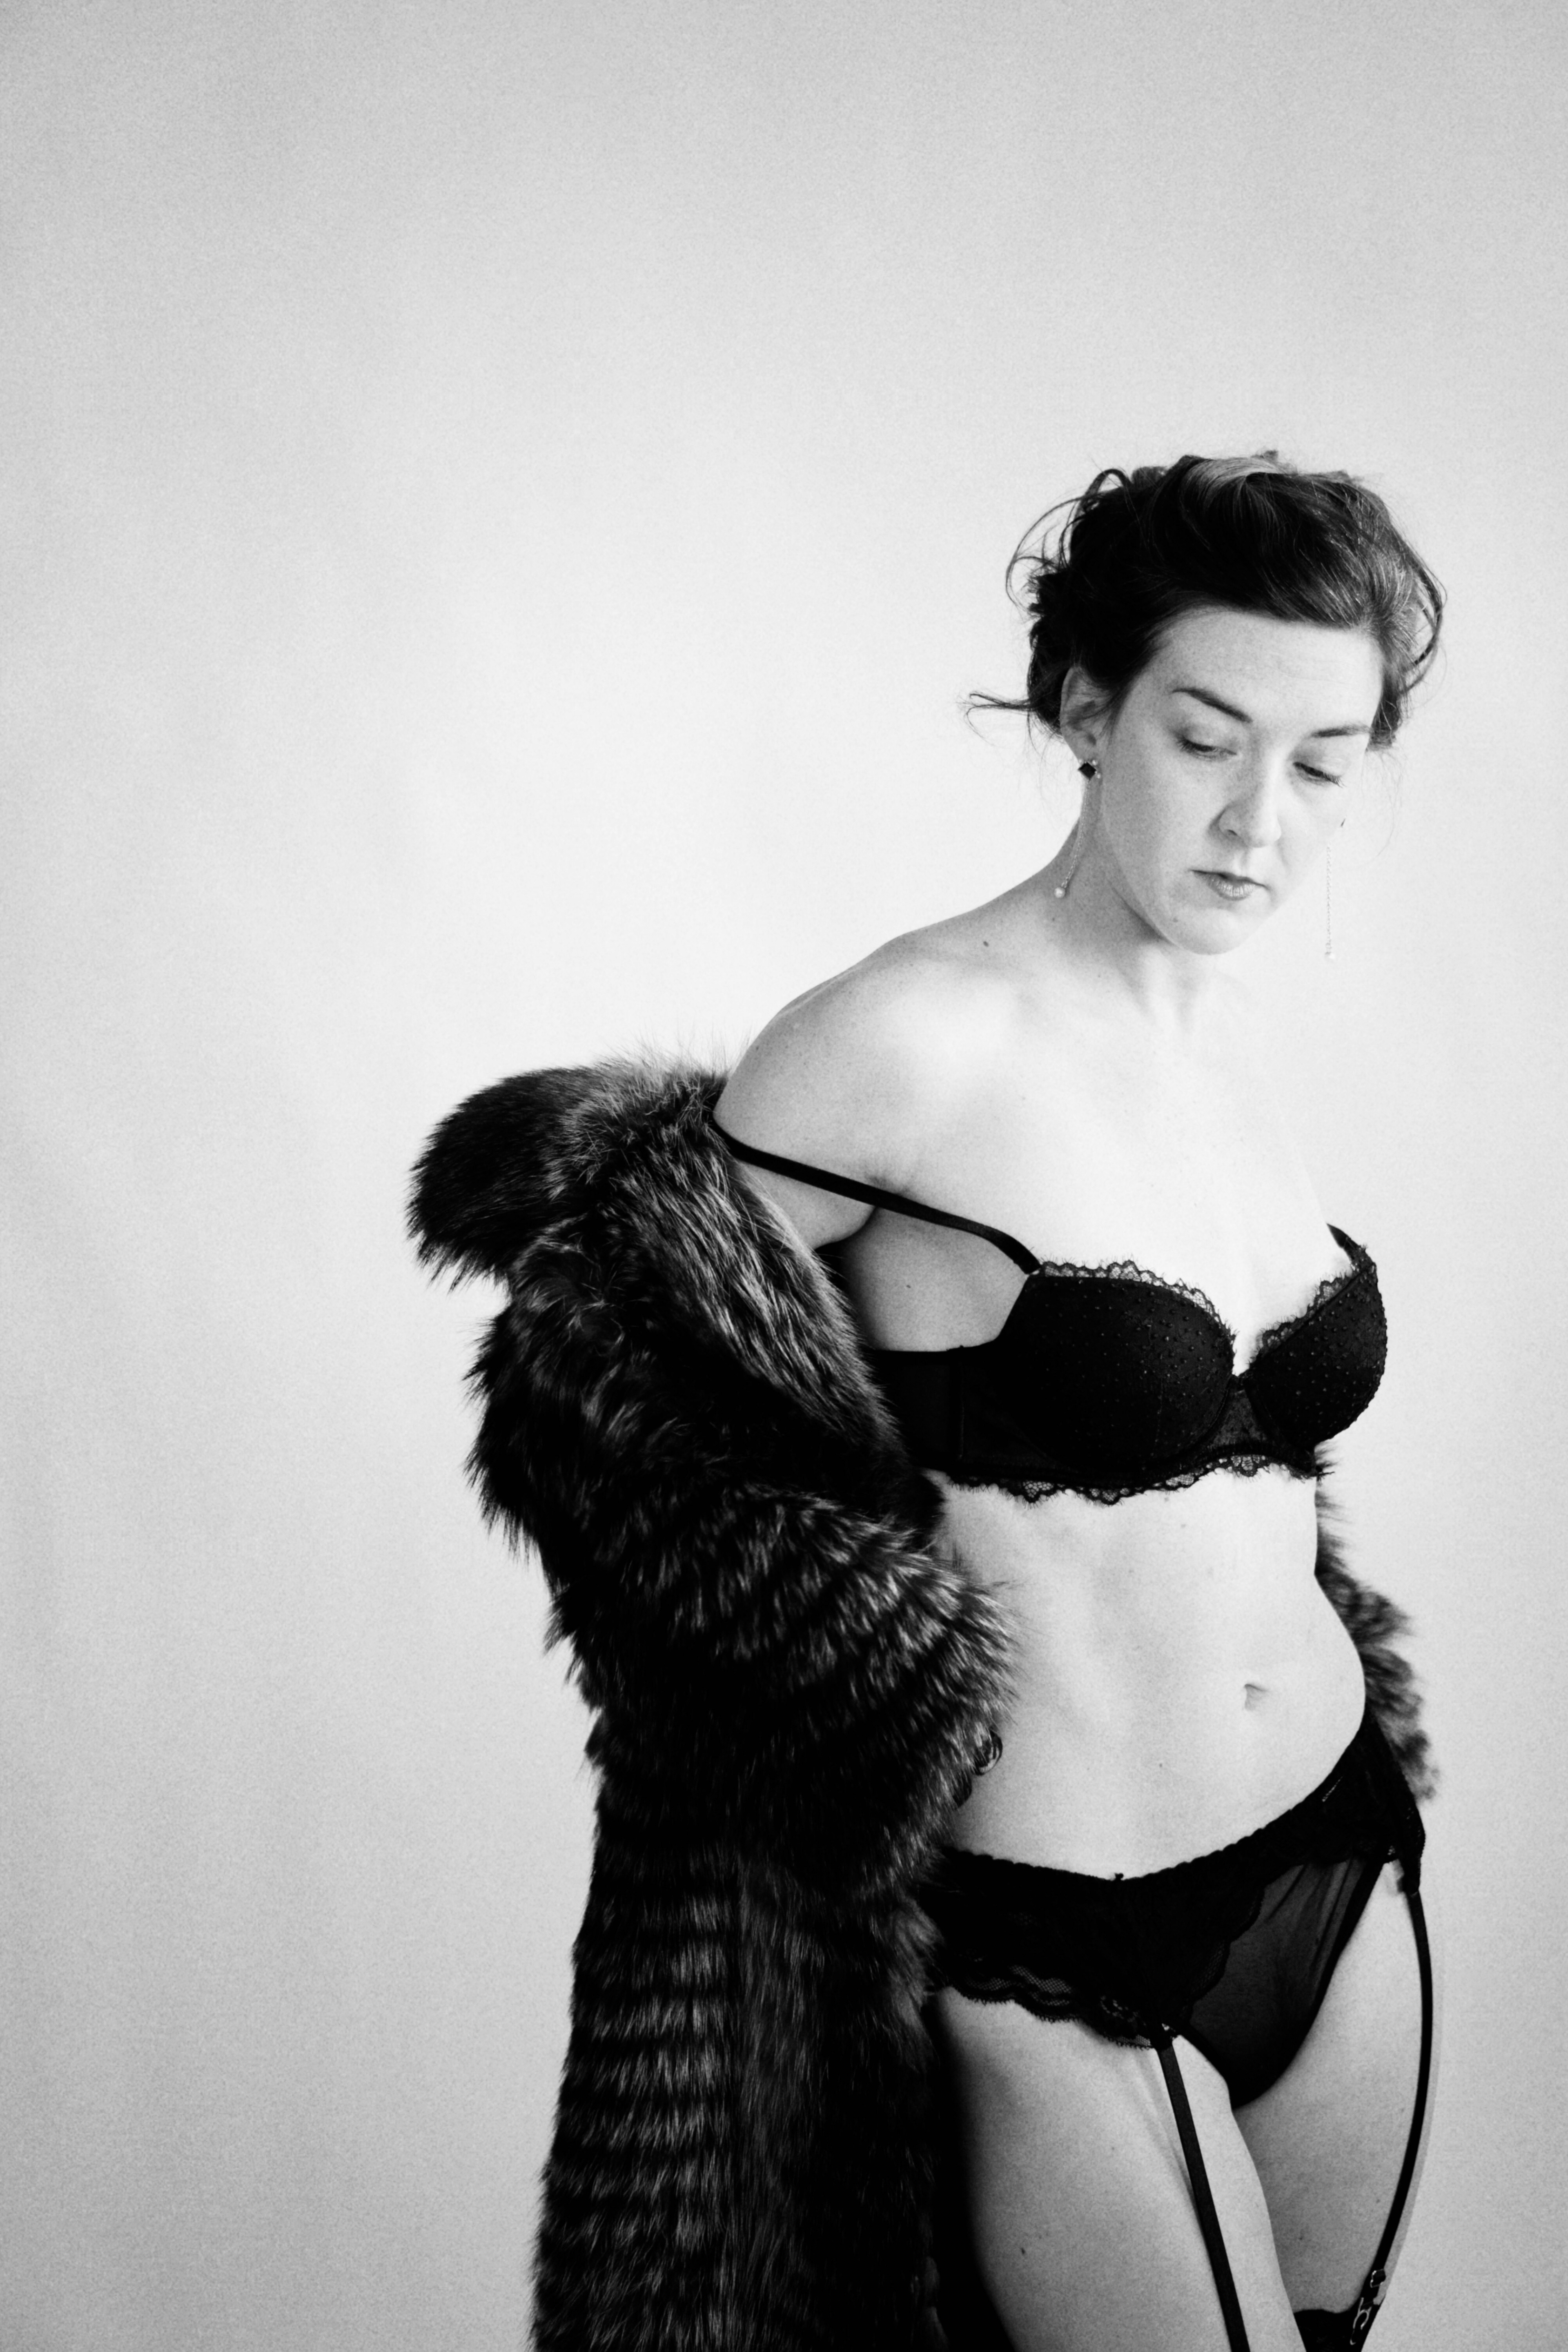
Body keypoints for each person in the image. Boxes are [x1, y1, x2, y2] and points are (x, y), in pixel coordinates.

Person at [410, 452, 1440, 2352]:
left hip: (1337, 1845)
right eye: (1208, 738)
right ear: (1087, 710)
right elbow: (597, 1370)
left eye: (1325, 761)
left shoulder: (1225, 1044)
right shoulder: (906, 1037)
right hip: (1054, 1923)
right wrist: (857, 1666)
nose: (1261, 818)